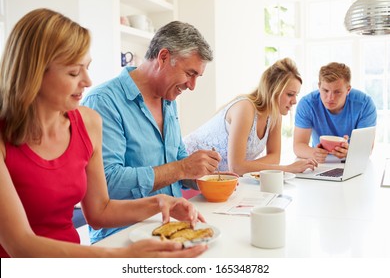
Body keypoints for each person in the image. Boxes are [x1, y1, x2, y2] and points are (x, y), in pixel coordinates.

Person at [0, 8, 207, 258]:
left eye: (87, 68)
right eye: (74, 72)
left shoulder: (87, 123)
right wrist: (119, 257)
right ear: (34, 74)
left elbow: (99, 211)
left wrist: (160, 202)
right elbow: (20, 245)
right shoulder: (7, 138)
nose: (88, 80)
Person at [81, 21, 221, 243]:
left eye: (197, 77)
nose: (192, 85)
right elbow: (108, 182)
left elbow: (177, 158)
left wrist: (201, 175)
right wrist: (182, 168)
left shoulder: (169, 100)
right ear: (163, 57)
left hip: (172, 229)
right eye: (190, 73)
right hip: (122, 237)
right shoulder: (103, 102)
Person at [184, 58, 318, 176]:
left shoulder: (275, 115)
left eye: (296, 95)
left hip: (215, 179)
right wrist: (288, 169)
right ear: (273, 90)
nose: (294, 101)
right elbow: (237, 167)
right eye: (290, 94)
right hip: (185, 169)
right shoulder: (245, 108)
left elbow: (274, 157)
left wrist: (246, 166)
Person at [293, 62, 377, 163]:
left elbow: (366, 148)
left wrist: (350, 151)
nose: (330, 98)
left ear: (348, 90)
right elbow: (298, 145)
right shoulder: (307, 104)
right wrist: (313, 153)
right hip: (320, 162)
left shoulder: (365, 104)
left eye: (337, 92)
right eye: (325, 90)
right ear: (319, 86)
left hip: (352, 162)